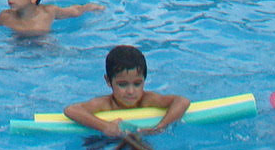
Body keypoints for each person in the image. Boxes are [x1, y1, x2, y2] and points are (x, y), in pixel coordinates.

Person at [61, 45, 190, 138]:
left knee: (142, 148)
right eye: (122, 85)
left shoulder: (147, 99)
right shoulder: (105, 104)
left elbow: (182, 101)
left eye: (137, 84)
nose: (130, 91)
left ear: (145, 80)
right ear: (108, 81)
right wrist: (104, 126)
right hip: (104, 138)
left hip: (135, 138)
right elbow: (71, 110)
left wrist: (161, 126)